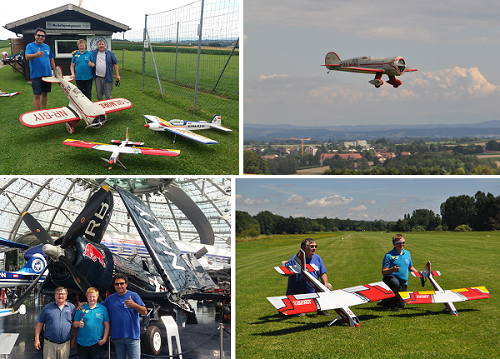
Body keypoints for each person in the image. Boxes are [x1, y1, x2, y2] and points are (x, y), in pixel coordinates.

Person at [102, 273, 147, 359]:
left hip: (132, 337)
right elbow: (98, 307)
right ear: (114, 285)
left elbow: (144, 312)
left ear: (126, 284)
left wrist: (134, 305)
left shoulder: (134, 296)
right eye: (117, 284)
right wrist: (85, 304)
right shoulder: (110, 299)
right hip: (118, 337)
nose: (119, 286)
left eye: (121, 283)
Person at [285, 238, 331, 316]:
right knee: (301, 315)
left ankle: (322, 309)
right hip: (298, 294)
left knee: (329, 286)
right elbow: (285, 273)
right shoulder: (295, 259)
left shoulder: (317, 258)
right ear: (304, 248)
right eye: (312, 246)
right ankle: (287, 307)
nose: (314, 248)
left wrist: (325, 283)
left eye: (315, 246)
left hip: (313, 291)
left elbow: (323, 273)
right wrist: (294, 270)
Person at [34, 287, 76, 359]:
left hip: (65, 345)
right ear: (55, 296)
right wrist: (37, 339)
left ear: (66, 296)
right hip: (49, 344)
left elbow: (74, 324)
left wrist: (74, 339)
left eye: (62, 294)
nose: (60, 296)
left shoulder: (71, 308)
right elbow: (39, 324)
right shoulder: (47, 308)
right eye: (58, 294)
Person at [381, 234, 418, 312]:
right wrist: (392, 269)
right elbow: (384, 272)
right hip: (390, 280)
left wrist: (419, 274)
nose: (402, 244)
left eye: (403, 242)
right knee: (394, 282)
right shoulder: (388, 255)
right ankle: (394, 306)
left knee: (401, 305)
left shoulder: (407, 253)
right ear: (394, 243)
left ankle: (386, 301)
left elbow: (410, 267)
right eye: (399, 243)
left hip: (403, 282)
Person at [73, 287, 109, 359]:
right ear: (87, 297)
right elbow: (74, 323)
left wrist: (104, 339)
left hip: (96, 342)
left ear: (97, 297)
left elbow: (107, 325)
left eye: (94, 297)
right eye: (90, 297)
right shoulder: (81, 308)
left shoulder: (102, 309)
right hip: (81, 342)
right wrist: (78, 324)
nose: (92, 299)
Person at [25, 27, 56, 110]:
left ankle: (43, 110)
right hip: (36, 75)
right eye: (39, 35)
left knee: (45, 93)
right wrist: (36, 55)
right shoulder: (30, 46)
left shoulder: (47, 47)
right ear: (35, 35)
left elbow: (51, 59)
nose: (40, 37)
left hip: (47, 74)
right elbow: (27, 57)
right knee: (36, 95)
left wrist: (55, 70)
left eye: (43, 36)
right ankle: (37, 112)